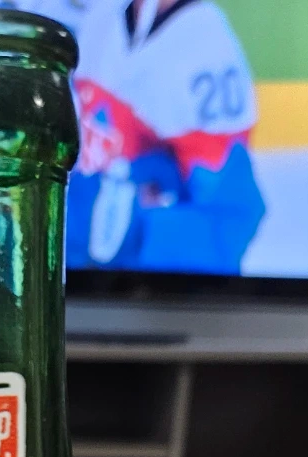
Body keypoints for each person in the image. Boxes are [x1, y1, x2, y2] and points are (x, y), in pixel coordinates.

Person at [67, 0, 265, 273]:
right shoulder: (97, 16)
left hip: (136, 291)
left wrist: (136, 228)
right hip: (67, 277)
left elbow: (229, 222)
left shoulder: (207, 49)